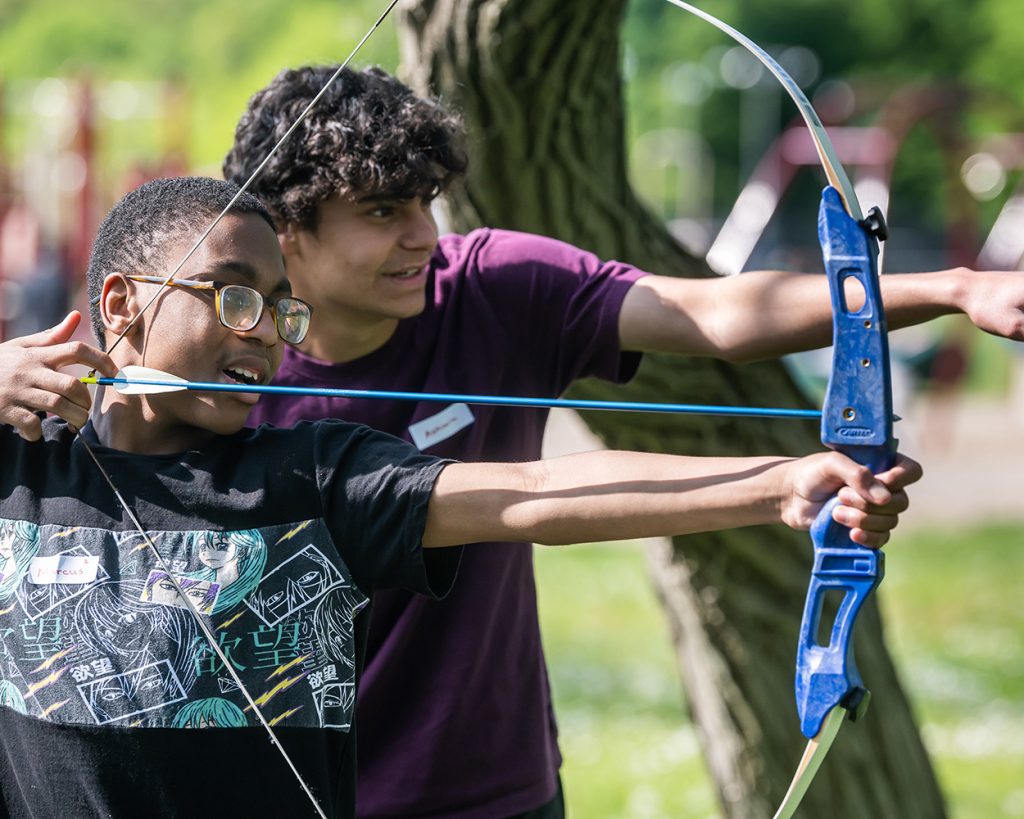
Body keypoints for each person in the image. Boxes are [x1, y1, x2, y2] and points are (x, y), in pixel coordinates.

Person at [221, 64, 1024, 819]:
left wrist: (956, 290)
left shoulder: (492, 285)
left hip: (492, 788)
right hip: (290, 787)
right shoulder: (218, 374)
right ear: (285, 230)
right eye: (381, 212)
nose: (422, 235)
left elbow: (715, 315)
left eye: (425, 202)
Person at [0, 176, 918, 819]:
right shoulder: (25, 465)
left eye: (284, 310)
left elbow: (535, 491)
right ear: (122, 304)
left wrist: (779, 482)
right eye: (236, 300)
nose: (269, 335)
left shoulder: (309, 477)